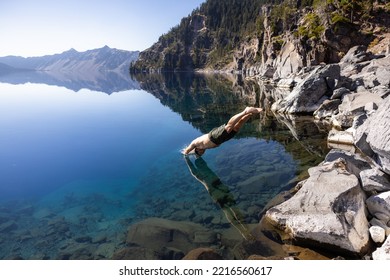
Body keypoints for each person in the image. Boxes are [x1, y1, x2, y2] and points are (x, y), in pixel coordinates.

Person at [184, 156, 254, 240]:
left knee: (226, 210)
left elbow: (192, 170)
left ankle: (242, 232)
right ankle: (246, 229)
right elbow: (200, 160)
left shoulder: (199, 175)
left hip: (215, 193)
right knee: (235, 209)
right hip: (222, 188)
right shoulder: (206, 169)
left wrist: (186, 158)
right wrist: (196, 155)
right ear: (202, 164)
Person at [182, 106, 263, 156]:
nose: (202, 154)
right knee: (236, 128)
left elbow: (186, 151)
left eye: (200, 154)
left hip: (213, 137)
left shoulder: (195, 144)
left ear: (197, 150)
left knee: (229, 127)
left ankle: (245, 111)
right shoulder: (203, 148)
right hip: (221, 140)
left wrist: (186, 155)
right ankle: (250, 114)